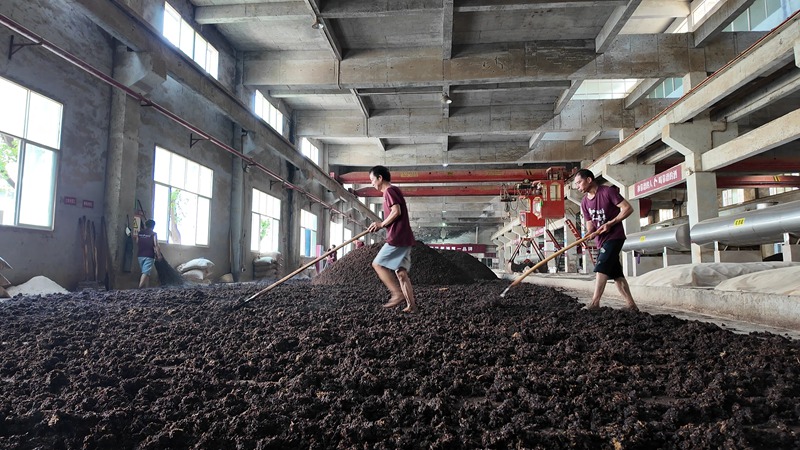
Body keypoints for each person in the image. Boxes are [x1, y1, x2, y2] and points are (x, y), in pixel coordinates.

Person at [573, 169, 639, 312]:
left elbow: (627, 208)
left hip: (615, 236)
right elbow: (590, 225)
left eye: (579, 182)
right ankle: (631, 305)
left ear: (589, 180)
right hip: (601, 240)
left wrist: (611, 223)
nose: (577, 187)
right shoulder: (584, 202)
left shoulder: (608, 192)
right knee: (616, 274)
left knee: (601, 266)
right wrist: (588, 234)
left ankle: (595, 303)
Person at [367, 165, 418, 313]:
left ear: (380, 178)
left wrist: (381, 224)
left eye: (372, 180)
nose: (372, 183)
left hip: (397, 237)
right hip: (405, 237)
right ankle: (412, 306)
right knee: (401, 273)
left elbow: (396, 211)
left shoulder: (389, 191)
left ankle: (397, 294)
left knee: (377, 264)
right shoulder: (393, 191)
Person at [133, 219, 161, 288]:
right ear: (153, 226)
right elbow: (156, 245)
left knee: (146, 272)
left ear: (145, 225)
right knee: (145, 272)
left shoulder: (140, 233)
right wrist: (159, 255)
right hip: (149, 255)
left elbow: (137, 242)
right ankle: (140, 287)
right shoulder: (153, 234)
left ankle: (146, 288)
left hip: (140, 255)